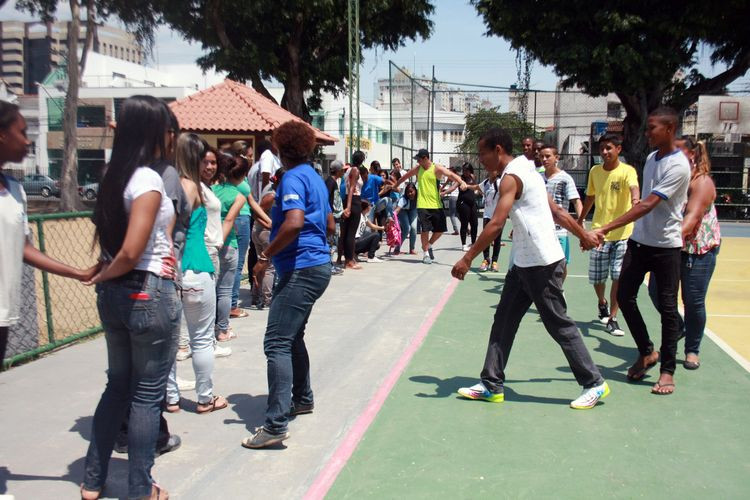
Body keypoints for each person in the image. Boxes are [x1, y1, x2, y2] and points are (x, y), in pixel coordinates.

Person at [452, 127, 609, 410]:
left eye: (483, 153)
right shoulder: (527, 169)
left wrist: (468, 258)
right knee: (503, 321)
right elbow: (557, 211)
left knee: (558, 324)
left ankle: (594, 383)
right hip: (524, 263)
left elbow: (497, 223)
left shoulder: (512, 178)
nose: (480, 159)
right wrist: (582, 234)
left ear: (498, 150)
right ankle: (491, 384)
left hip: (542, 264)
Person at [82, 95, 180, 500]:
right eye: (166, 129)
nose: (171, 138)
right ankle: (141, 487)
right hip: (146, 291)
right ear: (151, 132)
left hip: (116, 296)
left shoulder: (112, 175)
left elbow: (119, 248)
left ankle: (91, 481)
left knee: (117, 387)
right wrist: (112, 271)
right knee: (145, 395)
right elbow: (131, 250)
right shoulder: (148, 180)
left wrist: (106, 276)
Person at [243, 120, 333, 449]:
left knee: (276, 343)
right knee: (292, 337)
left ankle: (276, 424)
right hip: (313, 265)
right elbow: (328, 222)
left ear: (281, 148)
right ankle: (302, 398)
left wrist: (265, 255)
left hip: (302, 269)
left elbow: (294, 222)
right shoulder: (313, 176)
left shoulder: (293, 177)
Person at [593, 107, 690, 395]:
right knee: (624, 296)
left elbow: (647, 204)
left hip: (666, 247)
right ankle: (647, 351)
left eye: (652, 129)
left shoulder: (678, 166)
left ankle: (667, 370)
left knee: (668, 308)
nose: (647, 134)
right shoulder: (651, 158)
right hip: (640, 242)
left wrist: (606, 227)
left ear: (669, 130)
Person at [0, 101, 98, 370]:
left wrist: (77, 272)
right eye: (21, 132)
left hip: (4, 312)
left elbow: (24, 247)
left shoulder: (15, 190)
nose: (27, 141)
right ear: (2, 134)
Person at [166, 133, 228, 414]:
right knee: (201, 338)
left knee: (169, 340)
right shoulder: (195, 188)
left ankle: (170, 397)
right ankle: (205, 398)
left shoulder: (165, 185)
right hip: (199, 268)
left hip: (171, 269)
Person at [648, 138, 720, 371]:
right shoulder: (673, 177)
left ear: (691, 154)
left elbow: (690, 222)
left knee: (693, 301)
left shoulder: (702, 183)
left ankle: (692, 349)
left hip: (697, 250)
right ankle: (679, 326)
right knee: (656, 291)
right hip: (671, 247)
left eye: (676, 149)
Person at [577, 134, 639, 336]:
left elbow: (634, 189)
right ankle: (602, 303)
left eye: (609, 148)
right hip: (598, 233)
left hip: (623, 234)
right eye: (602, 148)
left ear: (618, 149)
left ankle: (613, 318)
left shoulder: (627, 171)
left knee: (618, 277)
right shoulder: (595, 171)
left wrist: (636, 199)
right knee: (597, 278)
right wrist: (580, 220)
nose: (604, 152)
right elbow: (590, 197)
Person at [391, 149, 467, 264]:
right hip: (422, 204)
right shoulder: (418, 169)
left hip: (436, 204)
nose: (418, 162)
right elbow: (405, 177)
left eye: (419, 160)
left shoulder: (437, 168)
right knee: (425, 230)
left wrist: (462, 182)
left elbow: (451, 174)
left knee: (440, 230)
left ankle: (428, 245)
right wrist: (395, 185)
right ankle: (426, 254)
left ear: (425, 158)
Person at [212, 155, 250, 342]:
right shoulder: (239, 196)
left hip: (208, 243)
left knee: (211, 288)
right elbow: (229, 220)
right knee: (225, 290)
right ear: (242, 176)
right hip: (228, 244)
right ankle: (223, 330)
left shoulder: (210, 191)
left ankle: (208, 327)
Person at [541, 145, 582, 282]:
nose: (544, 159)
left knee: (561, 264)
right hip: (542, 229)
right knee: (541, 264)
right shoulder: (538, 178)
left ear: (556, 158)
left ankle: (559, 289)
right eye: (542, 157)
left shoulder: (565, 178)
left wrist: (581, 223)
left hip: (559, 230)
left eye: (548, 156)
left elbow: (576, 201)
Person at [340, 151, 364, 270]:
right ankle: (349, 260)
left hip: (348, 200)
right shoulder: (355, 170)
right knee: (351, 233)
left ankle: (347, 259)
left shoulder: (348, 170)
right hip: (354, 201)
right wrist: (349, 206)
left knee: (347, 232)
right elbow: (352, 188)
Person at [477, 170, 503, 272]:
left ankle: (495, 262)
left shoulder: (501, 182)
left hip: (498, 216)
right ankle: (486, 260)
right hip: (487, 215)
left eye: (493, 169)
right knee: (486, 238)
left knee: (497, 239)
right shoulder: (486, 182)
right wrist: (466, 185)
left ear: (497, 172)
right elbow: (477, 187)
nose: (490, 171)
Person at [454, 163, 479, 251]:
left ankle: (473, 243)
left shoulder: (473, 177)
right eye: (464, 170)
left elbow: (476, 187)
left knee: (474, 224)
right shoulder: (461, 179)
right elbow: (453, 187)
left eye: (467, 170)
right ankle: (464, 244)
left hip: (472, 203)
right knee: (464, 224)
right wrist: (444, 193)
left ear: (470, 170)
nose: (465, 172)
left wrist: (473, 179)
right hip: (463, 203)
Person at [394, 182, 418, 255]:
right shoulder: (403, 199)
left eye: (411, 192)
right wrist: (392, 217)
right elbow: (397, 210)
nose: (410, 194)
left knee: (414, 228)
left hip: (413, 210)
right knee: (407, 229)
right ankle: (397, 248)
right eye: (408, 192)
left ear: (415, 191)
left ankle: (412, 249)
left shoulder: (419, 196)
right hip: (403, 211)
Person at [441, 167, 461, 235]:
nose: (448, 172)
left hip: (453, 197)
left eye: (449, 170)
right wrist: (441, 188)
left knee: (452, 214)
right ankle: (466, 228)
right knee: (458, 214)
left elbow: (450, 187)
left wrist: (443, 192)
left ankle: (456, 230)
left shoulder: (454, 177)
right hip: (458, 197)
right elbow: (444, 185)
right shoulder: (457, 177)